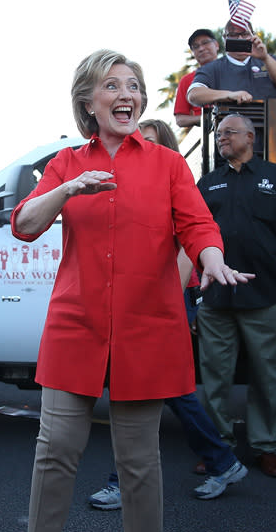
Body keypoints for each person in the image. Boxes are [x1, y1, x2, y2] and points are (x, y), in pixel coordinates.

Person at [0, 49, 251, 532]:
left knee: (138, 457)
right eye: (112, 85)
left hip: (146, 327)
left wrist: (209, 257)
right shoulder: (65, 162)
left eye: (133, 85)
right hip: (76, 325)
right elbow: (24, 225)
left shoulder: (166, 163)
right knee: (55, 449)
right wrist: (67, 190)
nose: (127, 94)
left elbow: (197, 224)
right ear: (89, 101)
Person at [88, 117, 248, 508]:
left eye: (147, 141)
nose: (136, 146)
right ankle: (221, 461)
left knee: (138, 394)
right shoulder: (125, 188)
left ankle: (123, 481)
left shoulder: (172, 186)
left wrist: (161, 309)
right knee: (167, 393)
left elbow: (186, 249)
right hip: (142, 307)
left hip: (160, 307)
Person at [197, 113, 276, 478]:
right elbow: (191, 240)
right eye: (218, 134)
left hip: (267, 297)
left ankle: (268, 448)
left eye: (229, 132)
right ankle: (218, 447)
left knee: (267, 377)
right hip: (216, 300)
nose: (221, 139)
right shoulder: (208, 183)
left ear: (251, 136)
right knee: (214, 378)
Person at [187, 21, 276, 107]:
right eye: (233, 35)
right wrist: (229, 95)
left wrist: (265, 58)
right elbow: (194, 95)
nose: (240, 39)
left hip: (271, 126)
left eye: (245, 34)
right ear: (224, 38)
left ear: (253, 35)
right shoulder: (212, 68)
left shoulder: (269, 60)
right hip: (232, 128)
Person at [174, 29, 220, 128]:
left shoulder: (233, 71)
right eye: (196, 47)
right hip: (205, 136)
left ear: (216, 45)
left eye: (205, 42)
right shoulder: (187, 80)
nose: (201, 48)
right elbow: (180, 119)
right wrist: (208, 118)